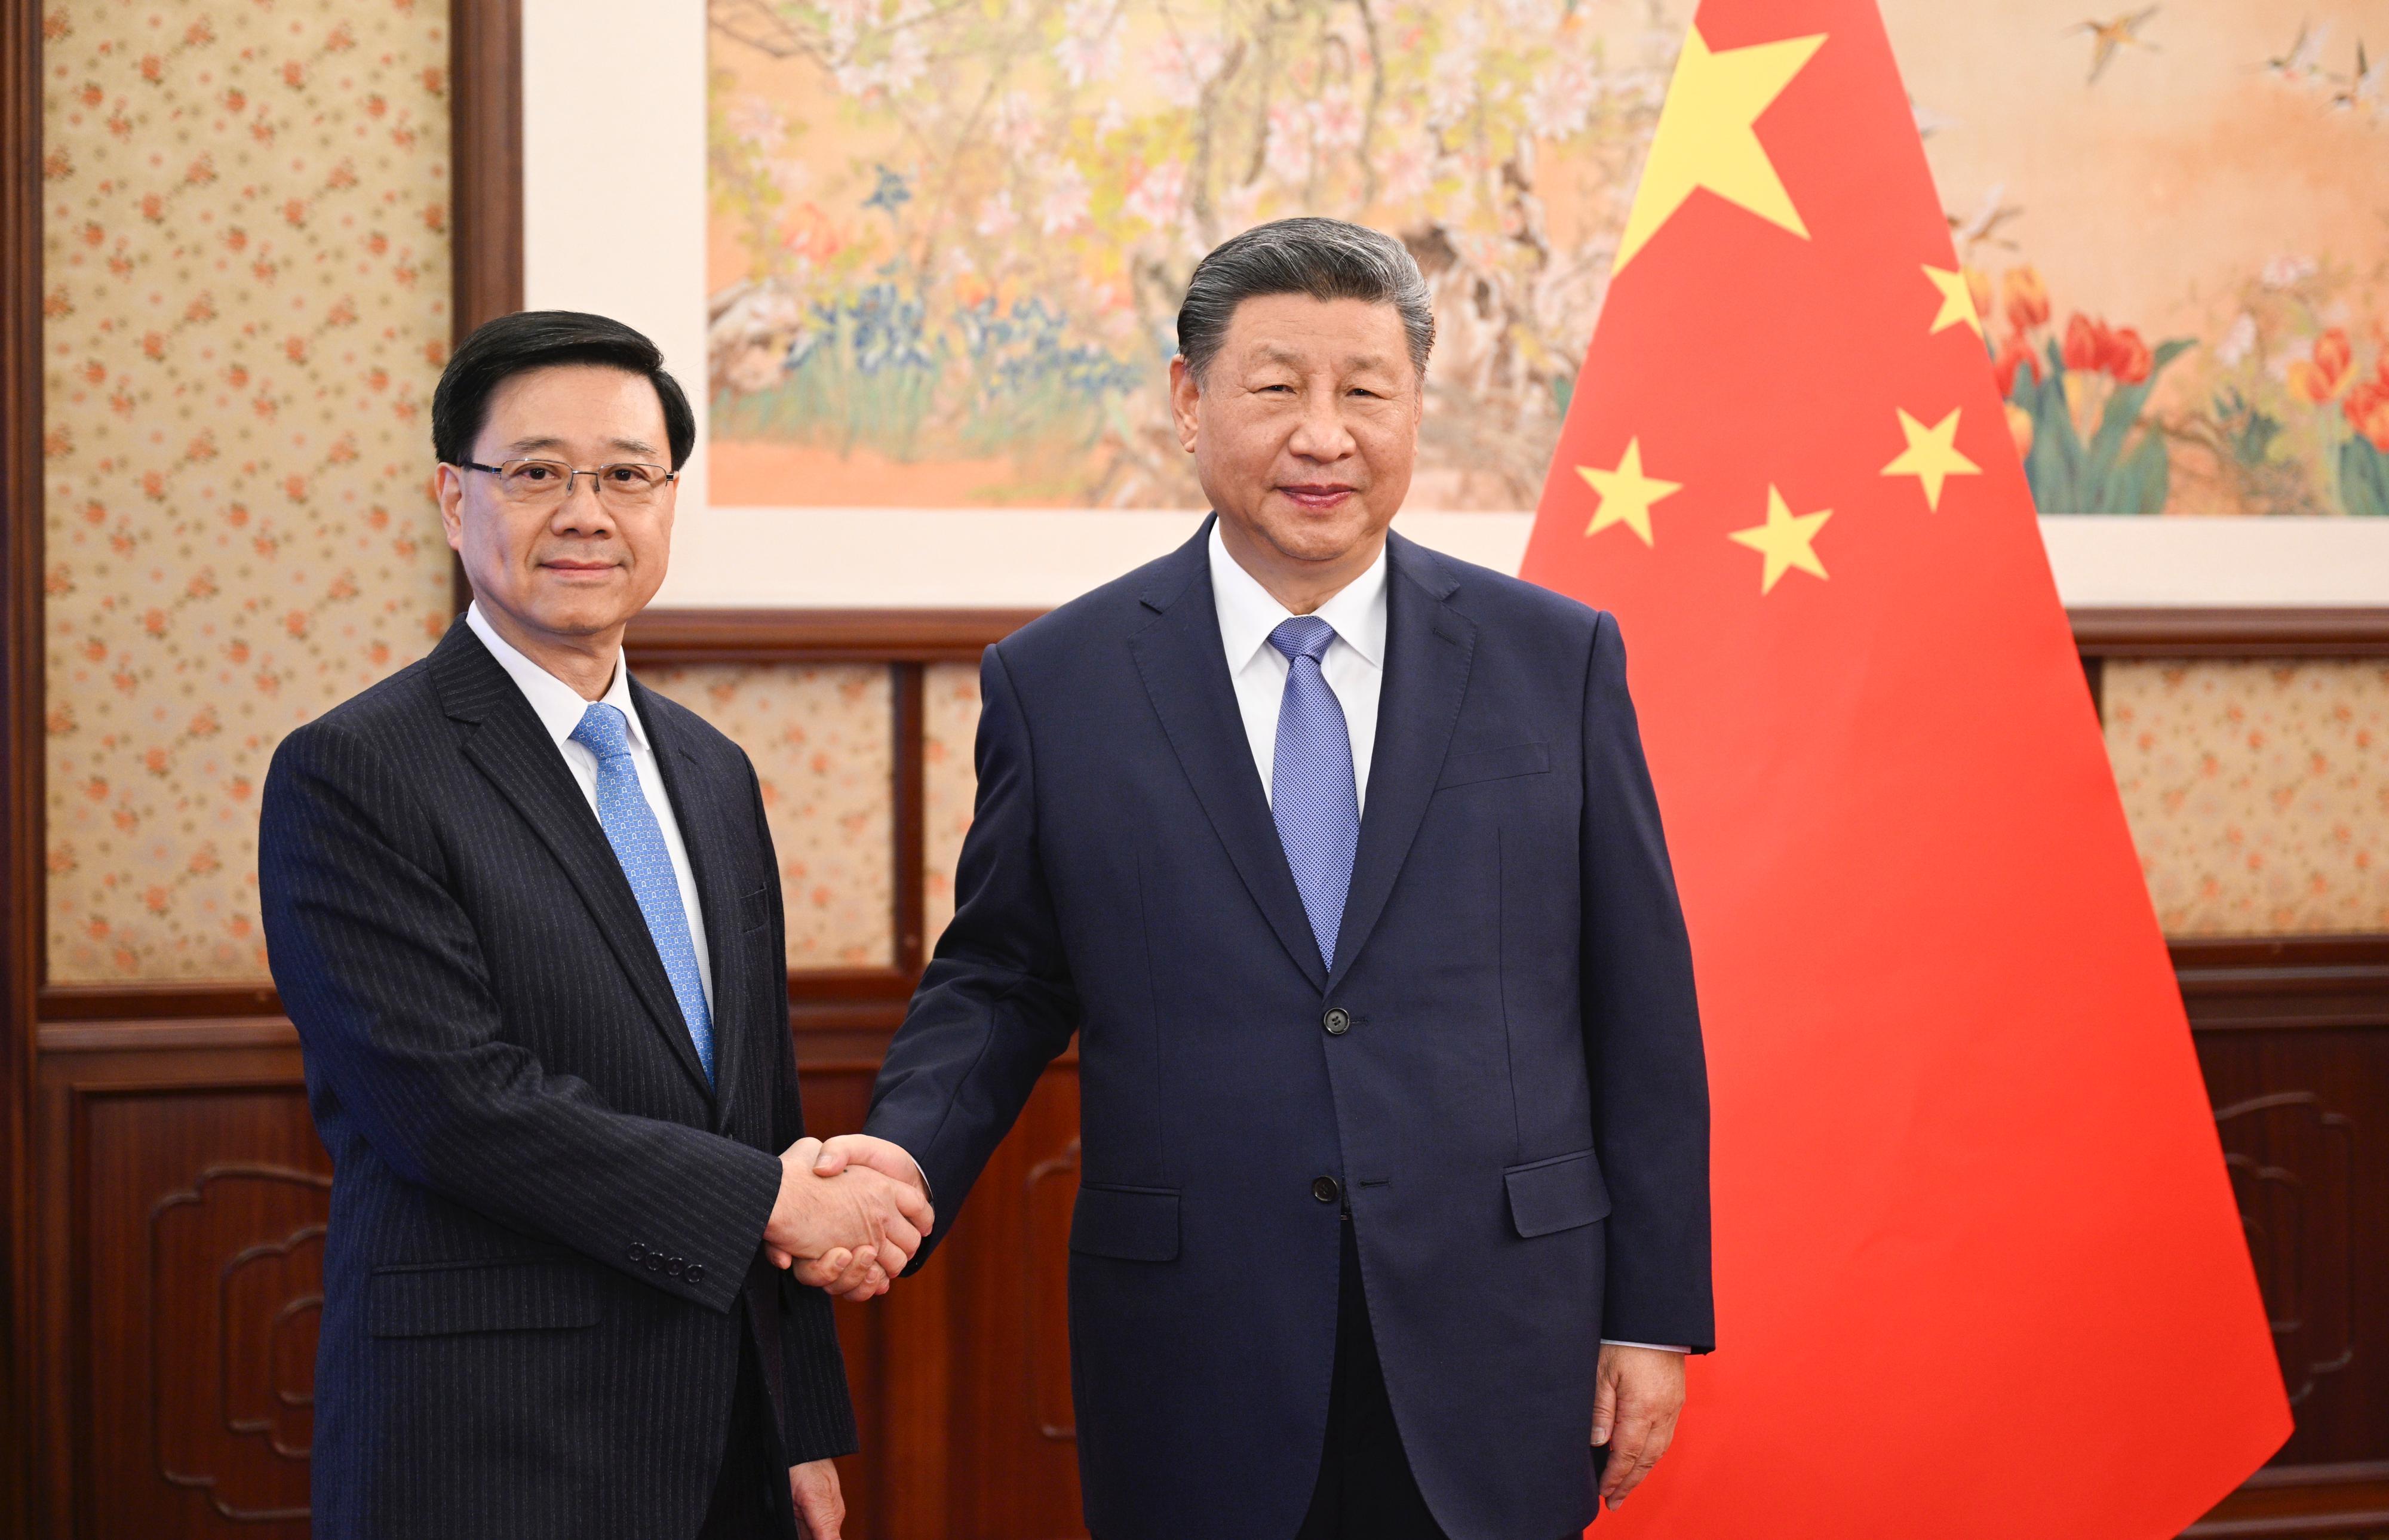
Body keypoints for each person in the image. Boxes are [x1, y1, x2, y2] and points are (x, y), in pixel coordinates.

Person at [815, 218, 1714, 1539]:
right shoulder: (1060, 683)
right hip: (1197, 1340)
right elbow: (1002, 978)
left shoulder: (1554, 660)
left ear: (1416, 407)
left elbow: (1638, 1004)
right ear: (1189, 400)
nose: (1323, 434)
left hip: (1502, 1330)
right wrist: (896, 1163)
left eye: (1365, 390)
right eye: (1276, 385)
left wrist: (1651, 1314)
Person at [259, 311, 929, 1540]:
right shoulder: (355, 770)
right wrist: (771, 1205)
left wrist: (803, 1427)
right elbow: (450, 1107)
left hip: (726, 1430)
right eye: (536, 474)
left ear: (668, 503)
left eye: (625, 475)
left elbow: (760, 1107)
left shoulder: (710, 772)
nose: (586, 511)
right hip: (490, 1439)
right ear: (454, 499)